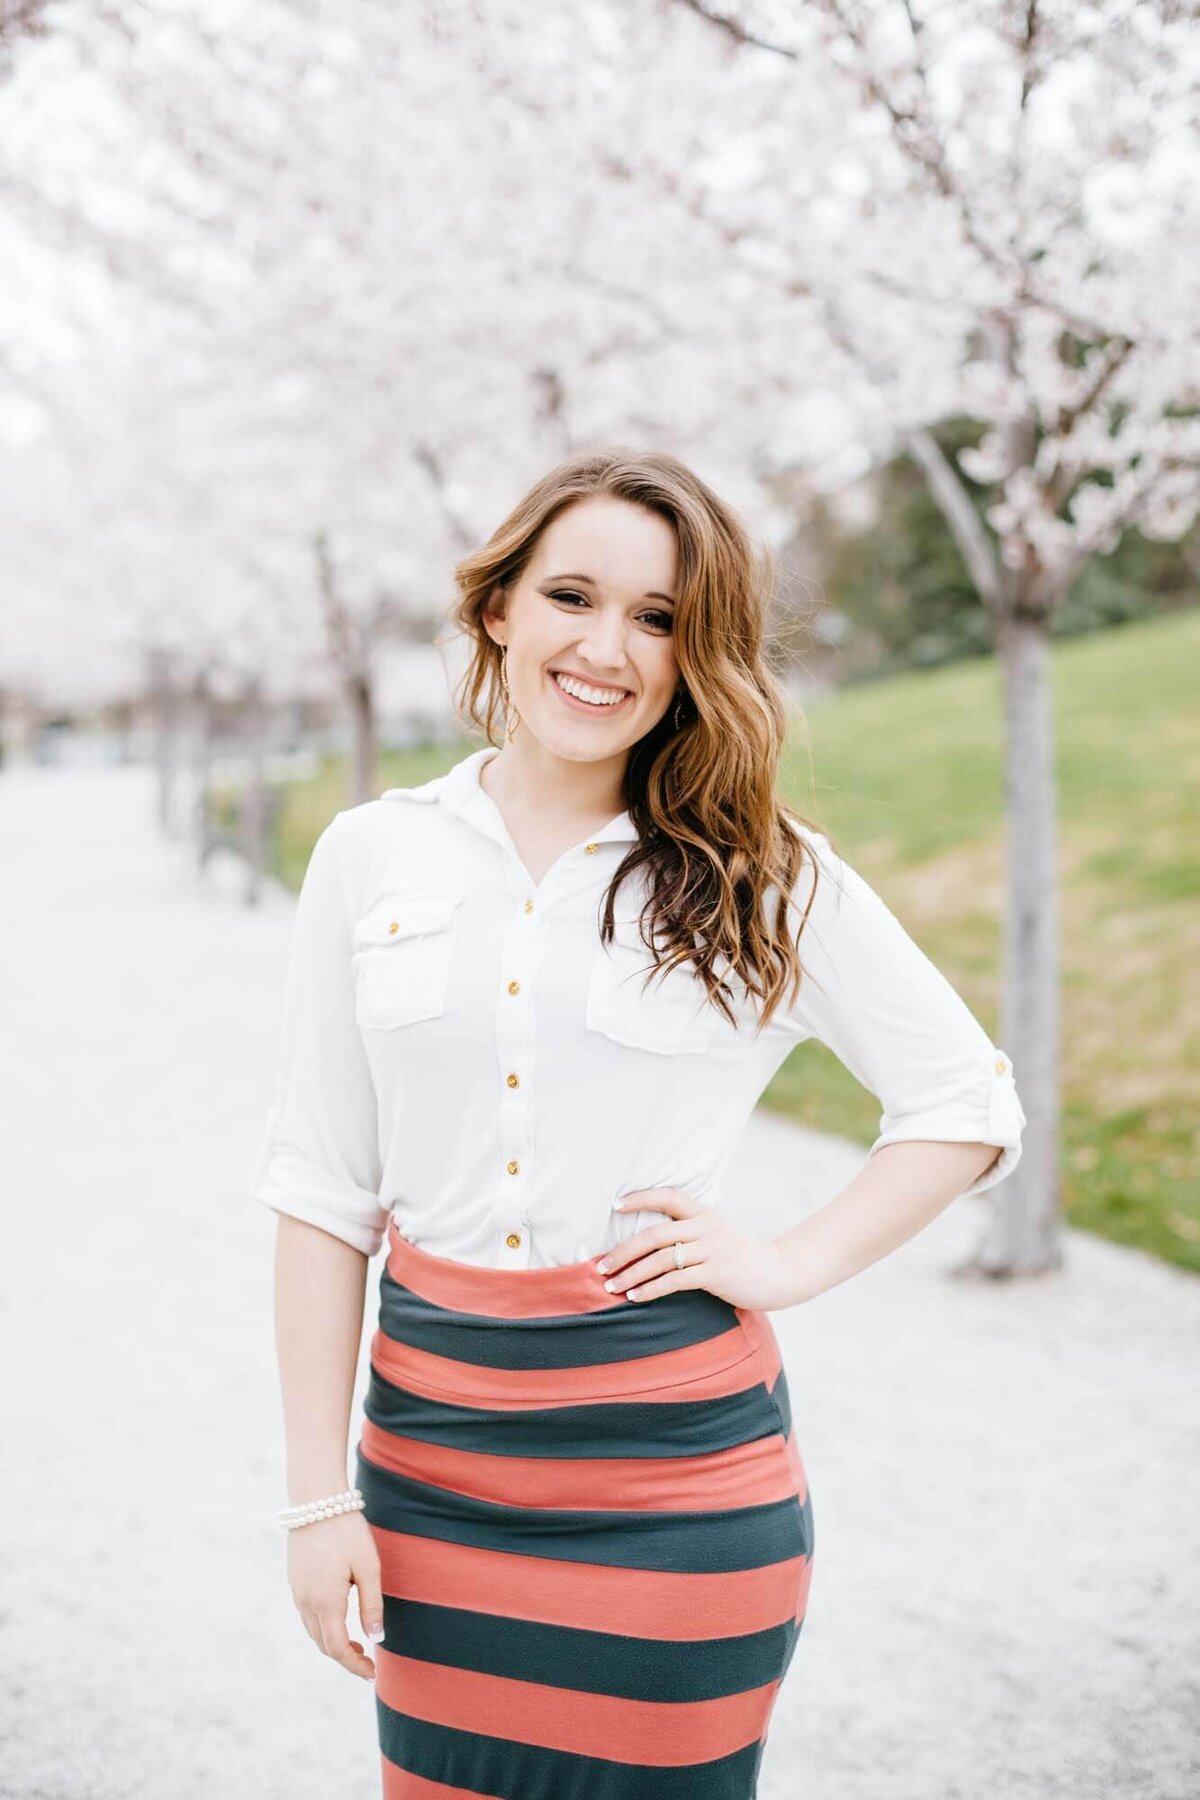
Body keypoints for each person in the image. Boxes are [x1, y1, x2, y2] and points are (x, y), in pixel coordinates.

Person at [249, 448, 1027, 1798]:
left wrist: (786, 1263)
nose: (607, 646)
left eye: (660, 617)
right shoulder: (371, 853)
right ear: (499, 610)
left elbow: (965, 1098)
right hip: (431, 1466)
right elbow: (321, 1190)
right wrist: (321, 1503)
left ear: (697, 650)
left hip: (676, 1486)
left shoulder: (763, 874)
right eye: (572, 596)